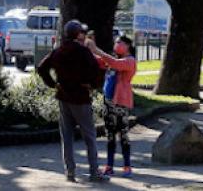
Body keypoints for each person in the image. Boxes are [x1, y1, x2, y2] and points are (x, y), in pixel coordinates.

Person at [36, 20, 109, 183]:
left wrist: (54, 84)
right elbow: (95, 72)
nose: (84, 35)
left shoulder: (58, 51)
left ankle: (70, 172)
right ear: (78, 34)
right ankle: (94, 172)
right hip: (81, 97)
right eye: (82, 32)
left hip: (63, 97)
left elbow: (41, 68)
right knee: (89, 136)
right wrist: (93, 84)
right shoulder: (83, 52)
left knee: (67, 137)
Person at [91, 36, 137, 177]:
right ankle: (109, 166)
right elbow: (101, 61)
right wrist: (88, 49)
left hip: (121, 102)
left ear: (128, 45)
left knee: (123, 134)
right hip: (109, 101)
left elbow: (114, 63)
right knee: (110, 135)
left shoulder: (129, 61)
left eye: (120, 42)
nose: (116, 45)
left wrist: (96, 49)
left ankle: (127, 166)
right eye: (116, 42)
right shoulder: (114, 60)